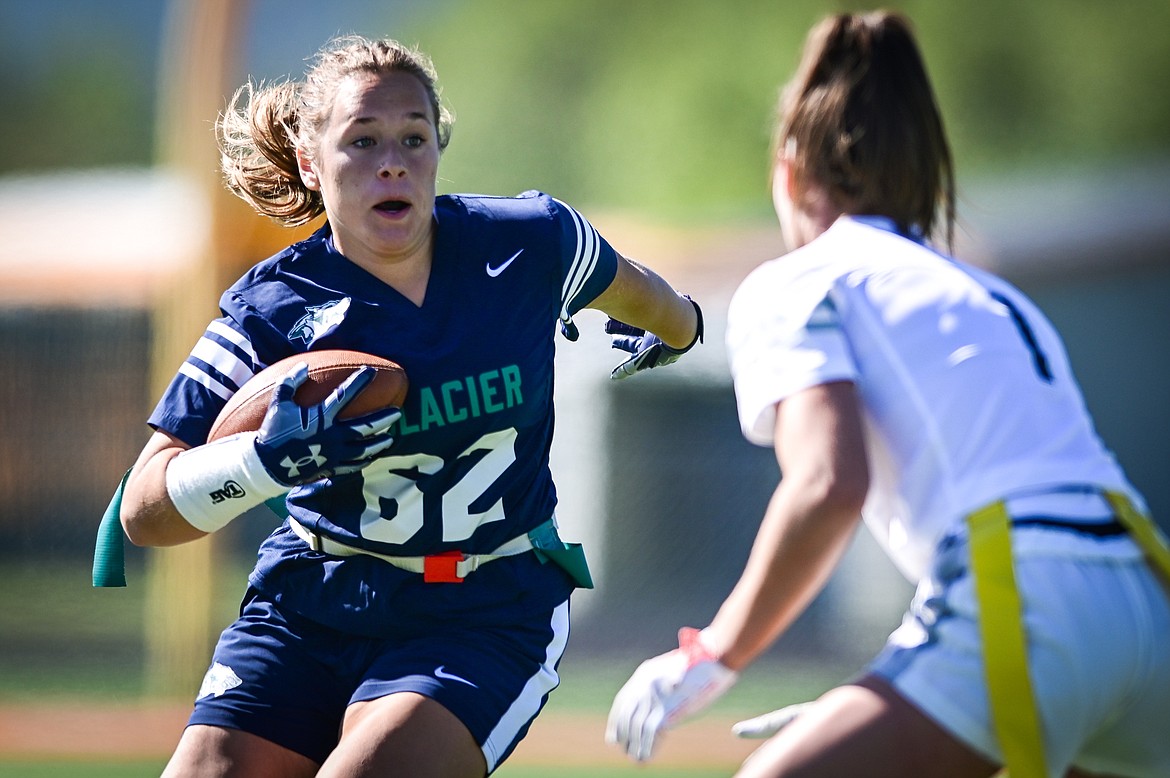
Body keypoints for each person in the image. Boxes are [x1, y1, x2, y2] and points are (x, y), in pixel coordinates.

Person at [116, 34, 702, 778]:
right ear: (309, 161)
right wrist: (260, 463)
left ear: (437, 150)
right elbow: (144, 511)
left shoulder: (525, 245)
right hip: (313, 598)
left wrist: (682, 330)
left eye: (413, 138)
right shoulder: (269, 309)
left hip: (481, 604)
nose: (393, 161)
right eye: (362, 140)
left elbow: (645, 293)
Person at [605, 11, 1170, 778]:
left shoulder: (800, 279)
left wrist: (715, 652)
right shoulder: (985, 290)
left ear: (790, 168)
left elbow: (830, 484)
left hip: (1030, 597)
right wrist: (886, 700)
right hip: (1144, 588)